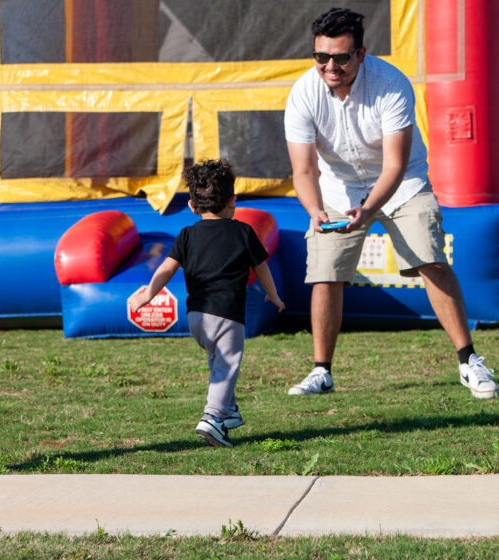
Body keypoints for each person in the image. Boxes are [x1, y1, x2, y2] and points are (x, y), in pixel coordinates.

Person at [284, 7, 496, 399]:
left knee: (430, 261)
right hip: (336, 190)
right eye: (321, 57)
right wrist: (314, 209)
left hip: (401, 185)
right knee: (324, 274)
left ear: (361, 54)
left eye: (341, 57)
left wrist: (367, 209)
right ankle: (321, 372)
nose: (330, 66)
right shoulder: (302, 92)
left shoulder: (391, 83)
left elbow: (395, 165)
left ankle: (469, 361)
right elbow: (303, 169)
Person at [129, 159, 285, 447]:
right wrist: (273, 295)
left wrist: (149, 294)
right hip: (227, 315)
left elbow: (165, 268)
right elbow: (261, 267)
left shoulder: (187, 235)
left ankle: (228, 412)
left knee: (218, 364)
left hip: (196, 318)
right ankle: (212, 417)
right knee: (227, 367)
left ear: (191, 205)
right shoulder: (243, 232)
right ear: (232, 201)